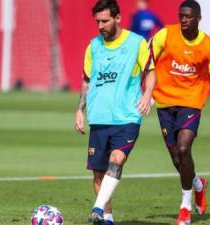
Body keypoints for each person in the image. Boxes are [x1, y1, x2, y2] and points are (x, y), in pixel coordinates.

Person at [149, 1, 210, 224]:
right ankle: (198, 185)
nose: (183, 20)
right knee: (178, 159)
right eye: (181, 16)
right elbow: (146, 62)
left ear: (198, 17)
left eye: (188, 16)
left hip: (191, 103)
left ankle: (185, 208)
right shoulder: (165, 35)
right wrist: (143, 93)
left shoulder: (208, 47)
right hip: (165, 102)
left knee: (184, 147)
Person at [74, 0, 156, 224]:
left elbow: (150, 71)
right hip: (99, 117)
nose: (100, 26)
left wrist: (147, 94)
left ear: (118, 18)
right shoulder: (93, 46)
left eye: (105, 21)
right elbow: (87, 81)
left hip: (127, 116)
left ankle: (97, 209)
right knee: (98, 174)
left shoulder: (136, 43)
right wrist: (80, 110)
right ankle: (107, 216)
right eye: (97, 21)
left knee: (117, 159)